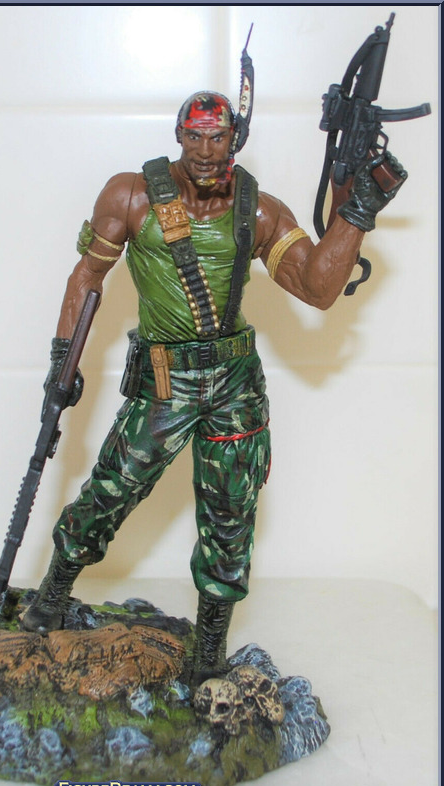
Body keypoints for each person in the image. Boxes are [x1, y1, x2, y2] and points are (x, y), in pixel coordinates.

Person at [20, 90, 405, 685]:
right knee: (110, 491)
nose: (205, 150)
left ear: (235, 139)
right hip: (164, 382)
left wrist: (356, 212)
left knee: (230, 518)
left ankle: (208, 650)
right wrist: (61, 362)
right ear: (178, 135)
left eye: (217, 137)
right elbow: (87, 276)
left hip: (234, 385)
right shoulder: (131, 195)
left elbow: (318, 288)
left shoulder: (259, 211)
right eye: (195, 136)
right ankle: (52, 596)